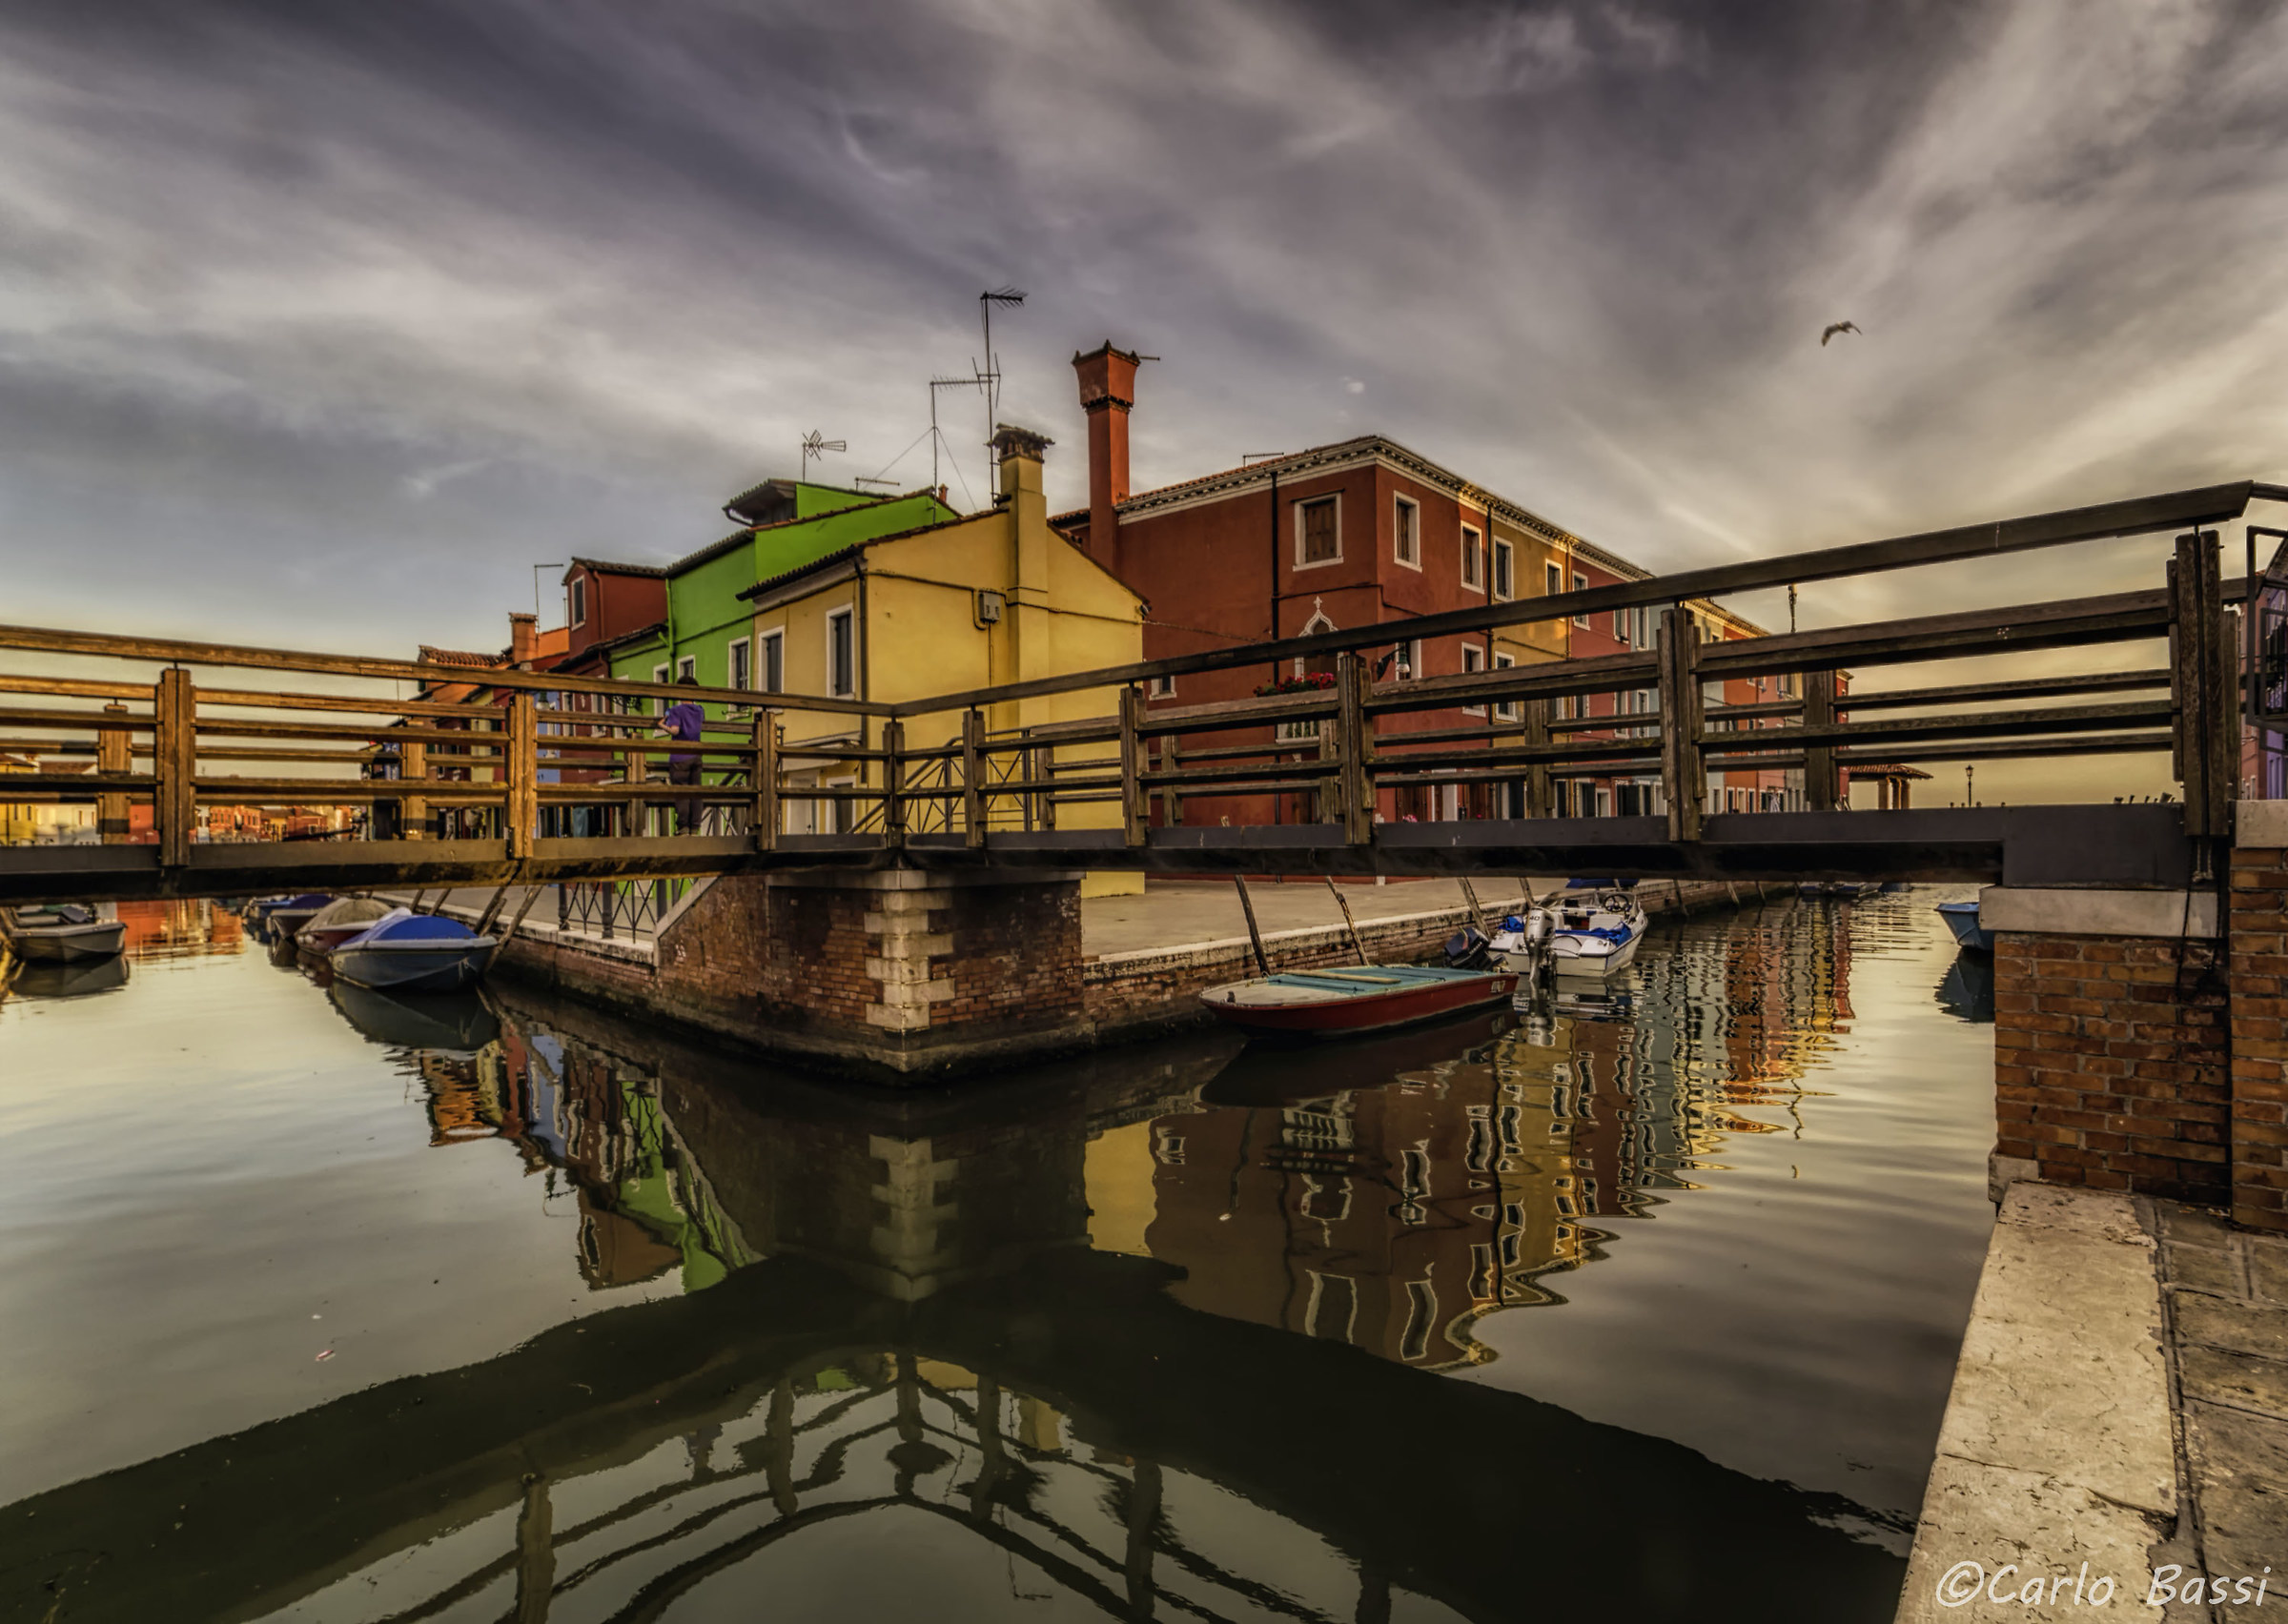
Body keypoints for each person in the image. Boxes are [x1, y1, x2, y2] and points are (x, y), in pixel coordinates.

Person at [653, 675, 705, 833]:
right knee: (696, 791)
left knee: (681, 792)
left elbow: (675, 729)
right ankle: (695, 827)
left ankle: (683, 827)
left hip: (680, 756)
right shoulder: (700, 710)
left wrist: (662, 725)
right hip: (696, 755)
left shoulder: (676, 710)